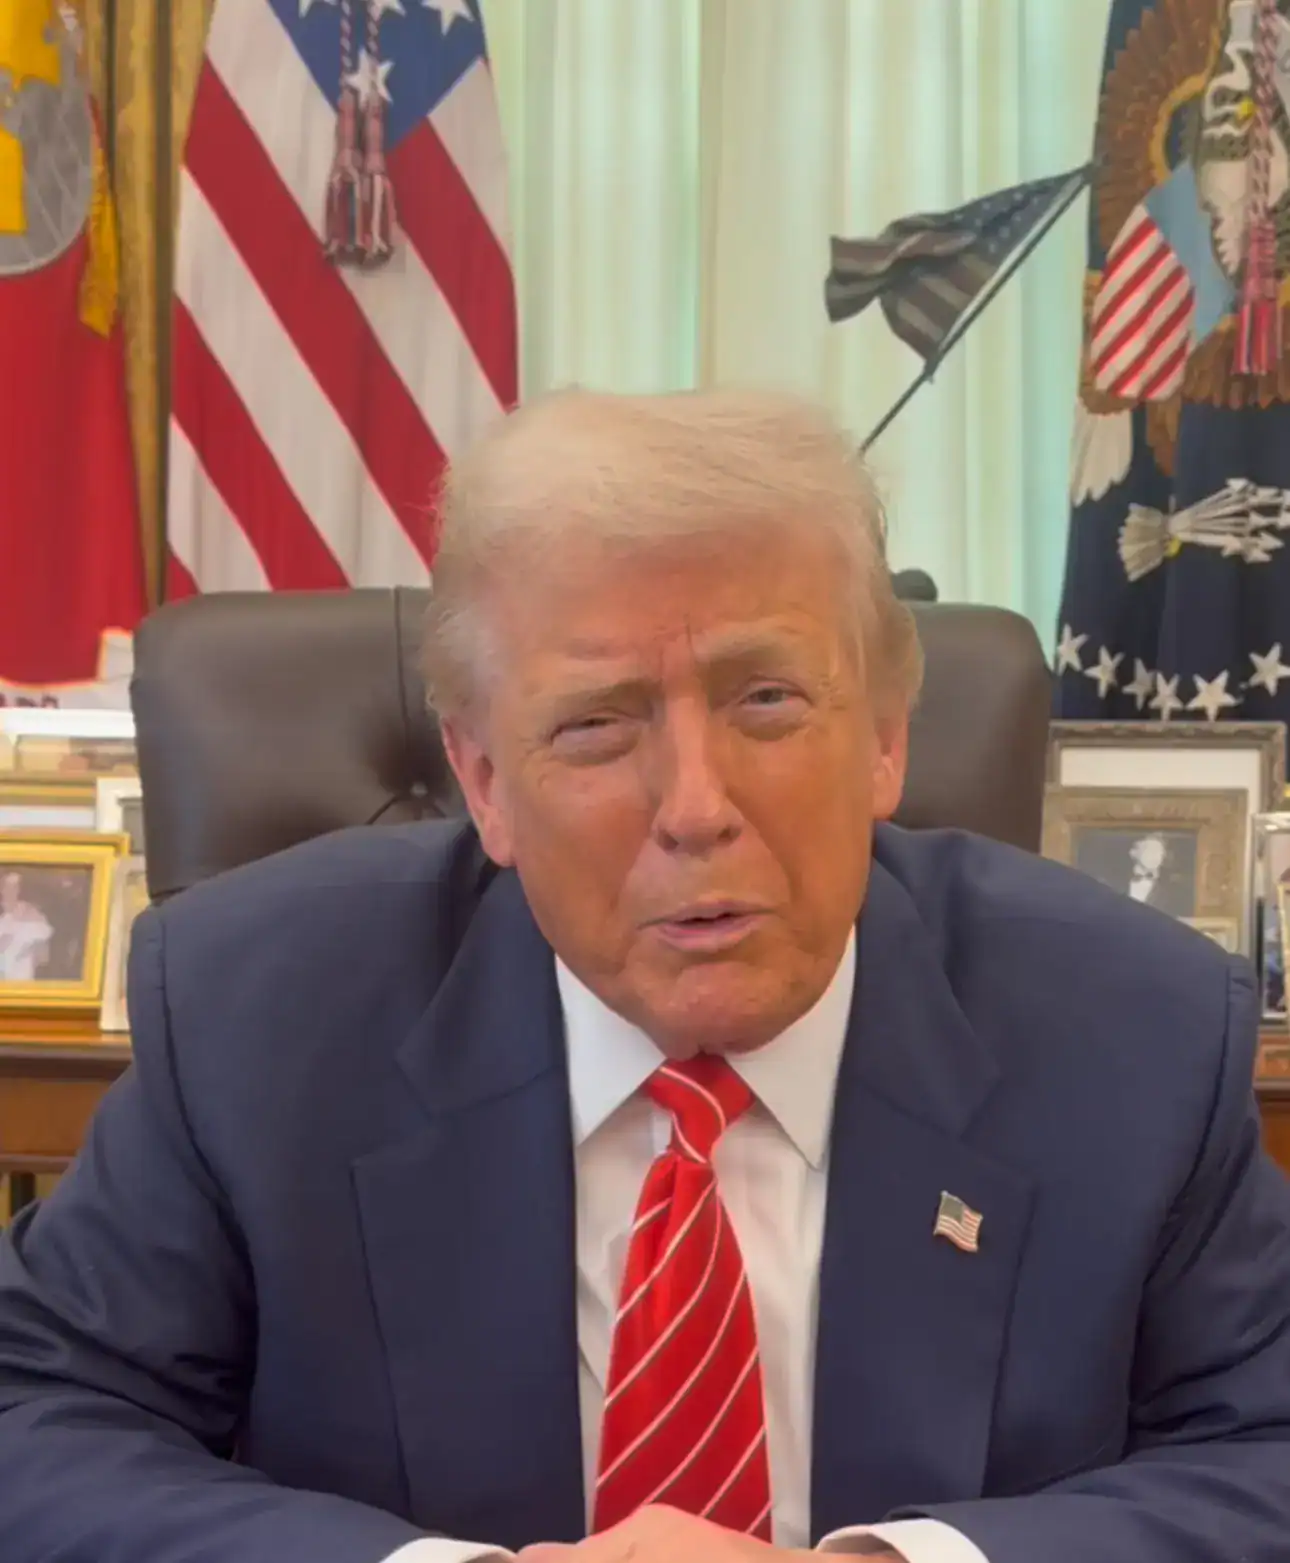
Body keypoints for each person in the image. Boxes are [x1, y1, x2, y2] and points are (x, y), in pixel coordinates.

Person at [0, 390, 1288, 1563]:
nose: (695, 807)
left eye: (767, 700)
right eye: (597, 726)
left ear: (887, 738)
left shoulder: (1138, 1035)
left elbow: (1263, 1450)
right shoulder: (255, 1016)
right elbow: (41, 1416)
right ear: (484, 783)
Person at [0, 869, 52, 981]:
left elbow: (43, 958)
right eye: (5, 887)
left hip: (22, 981)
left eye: (14, 887)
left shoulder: (33, 917)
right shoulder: (3, 920)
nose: (9, 892)